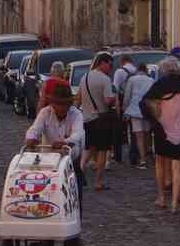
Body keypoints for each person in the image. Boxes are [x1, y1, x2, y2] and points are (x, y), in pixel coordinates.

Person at [141, 57, 180, 213]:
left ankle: (162, 198)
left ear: (162, 70)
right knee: (176, 165)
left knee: (160, 163)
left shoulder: (158, 85)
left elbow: (145, 103)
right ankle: (175, 204)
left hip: (161, 130)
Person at [25, 80, 85, 209]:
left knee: (75, 200)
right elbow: (34, 129)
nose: (62, 108)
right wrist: (31, 138)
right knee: (46, 197)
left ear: (69, 104)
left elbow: (78, 134)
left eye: (65, 105)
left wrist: (65, 142)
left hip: (70, 163)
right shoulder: (45, 113)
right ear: (52, 103)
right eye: (58, 104)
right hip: (48, 163)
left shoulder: (76, 114)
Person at [76, 51, 116, 191]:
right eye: (110, 65)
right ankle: (98, 182)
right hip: (101, 119)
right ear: (102, 63)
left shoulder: (84, 77)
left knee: (88, 149)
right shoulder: (105, 79)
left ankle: (79, 175)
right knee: (102, 151)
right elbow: (108, 100)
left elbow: (78, 98)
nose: (111, 68)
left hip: (87, 119)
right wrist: (114, 99)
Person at [122, 62, 154, 168]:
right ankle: (147, 154)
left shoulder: (132, 80)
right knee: (146, 134)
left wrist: (125, 109)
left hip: (134, 109)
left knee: (138, 135)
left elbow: (127, 96)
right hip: (147, 110)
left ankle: (142, 160)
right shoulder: (151, 80)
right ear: (145, 70)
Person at [113, 53, 138, 164]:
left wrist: (118, 105)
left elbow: (115, 89)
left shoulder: (119, 72)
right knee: (134, 130)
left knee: (118, 130)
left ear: (122, 61)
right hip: (135, 102)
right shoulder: (136, 71)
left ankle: (118, 156)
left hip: (123, 101)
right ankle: (134, 155)